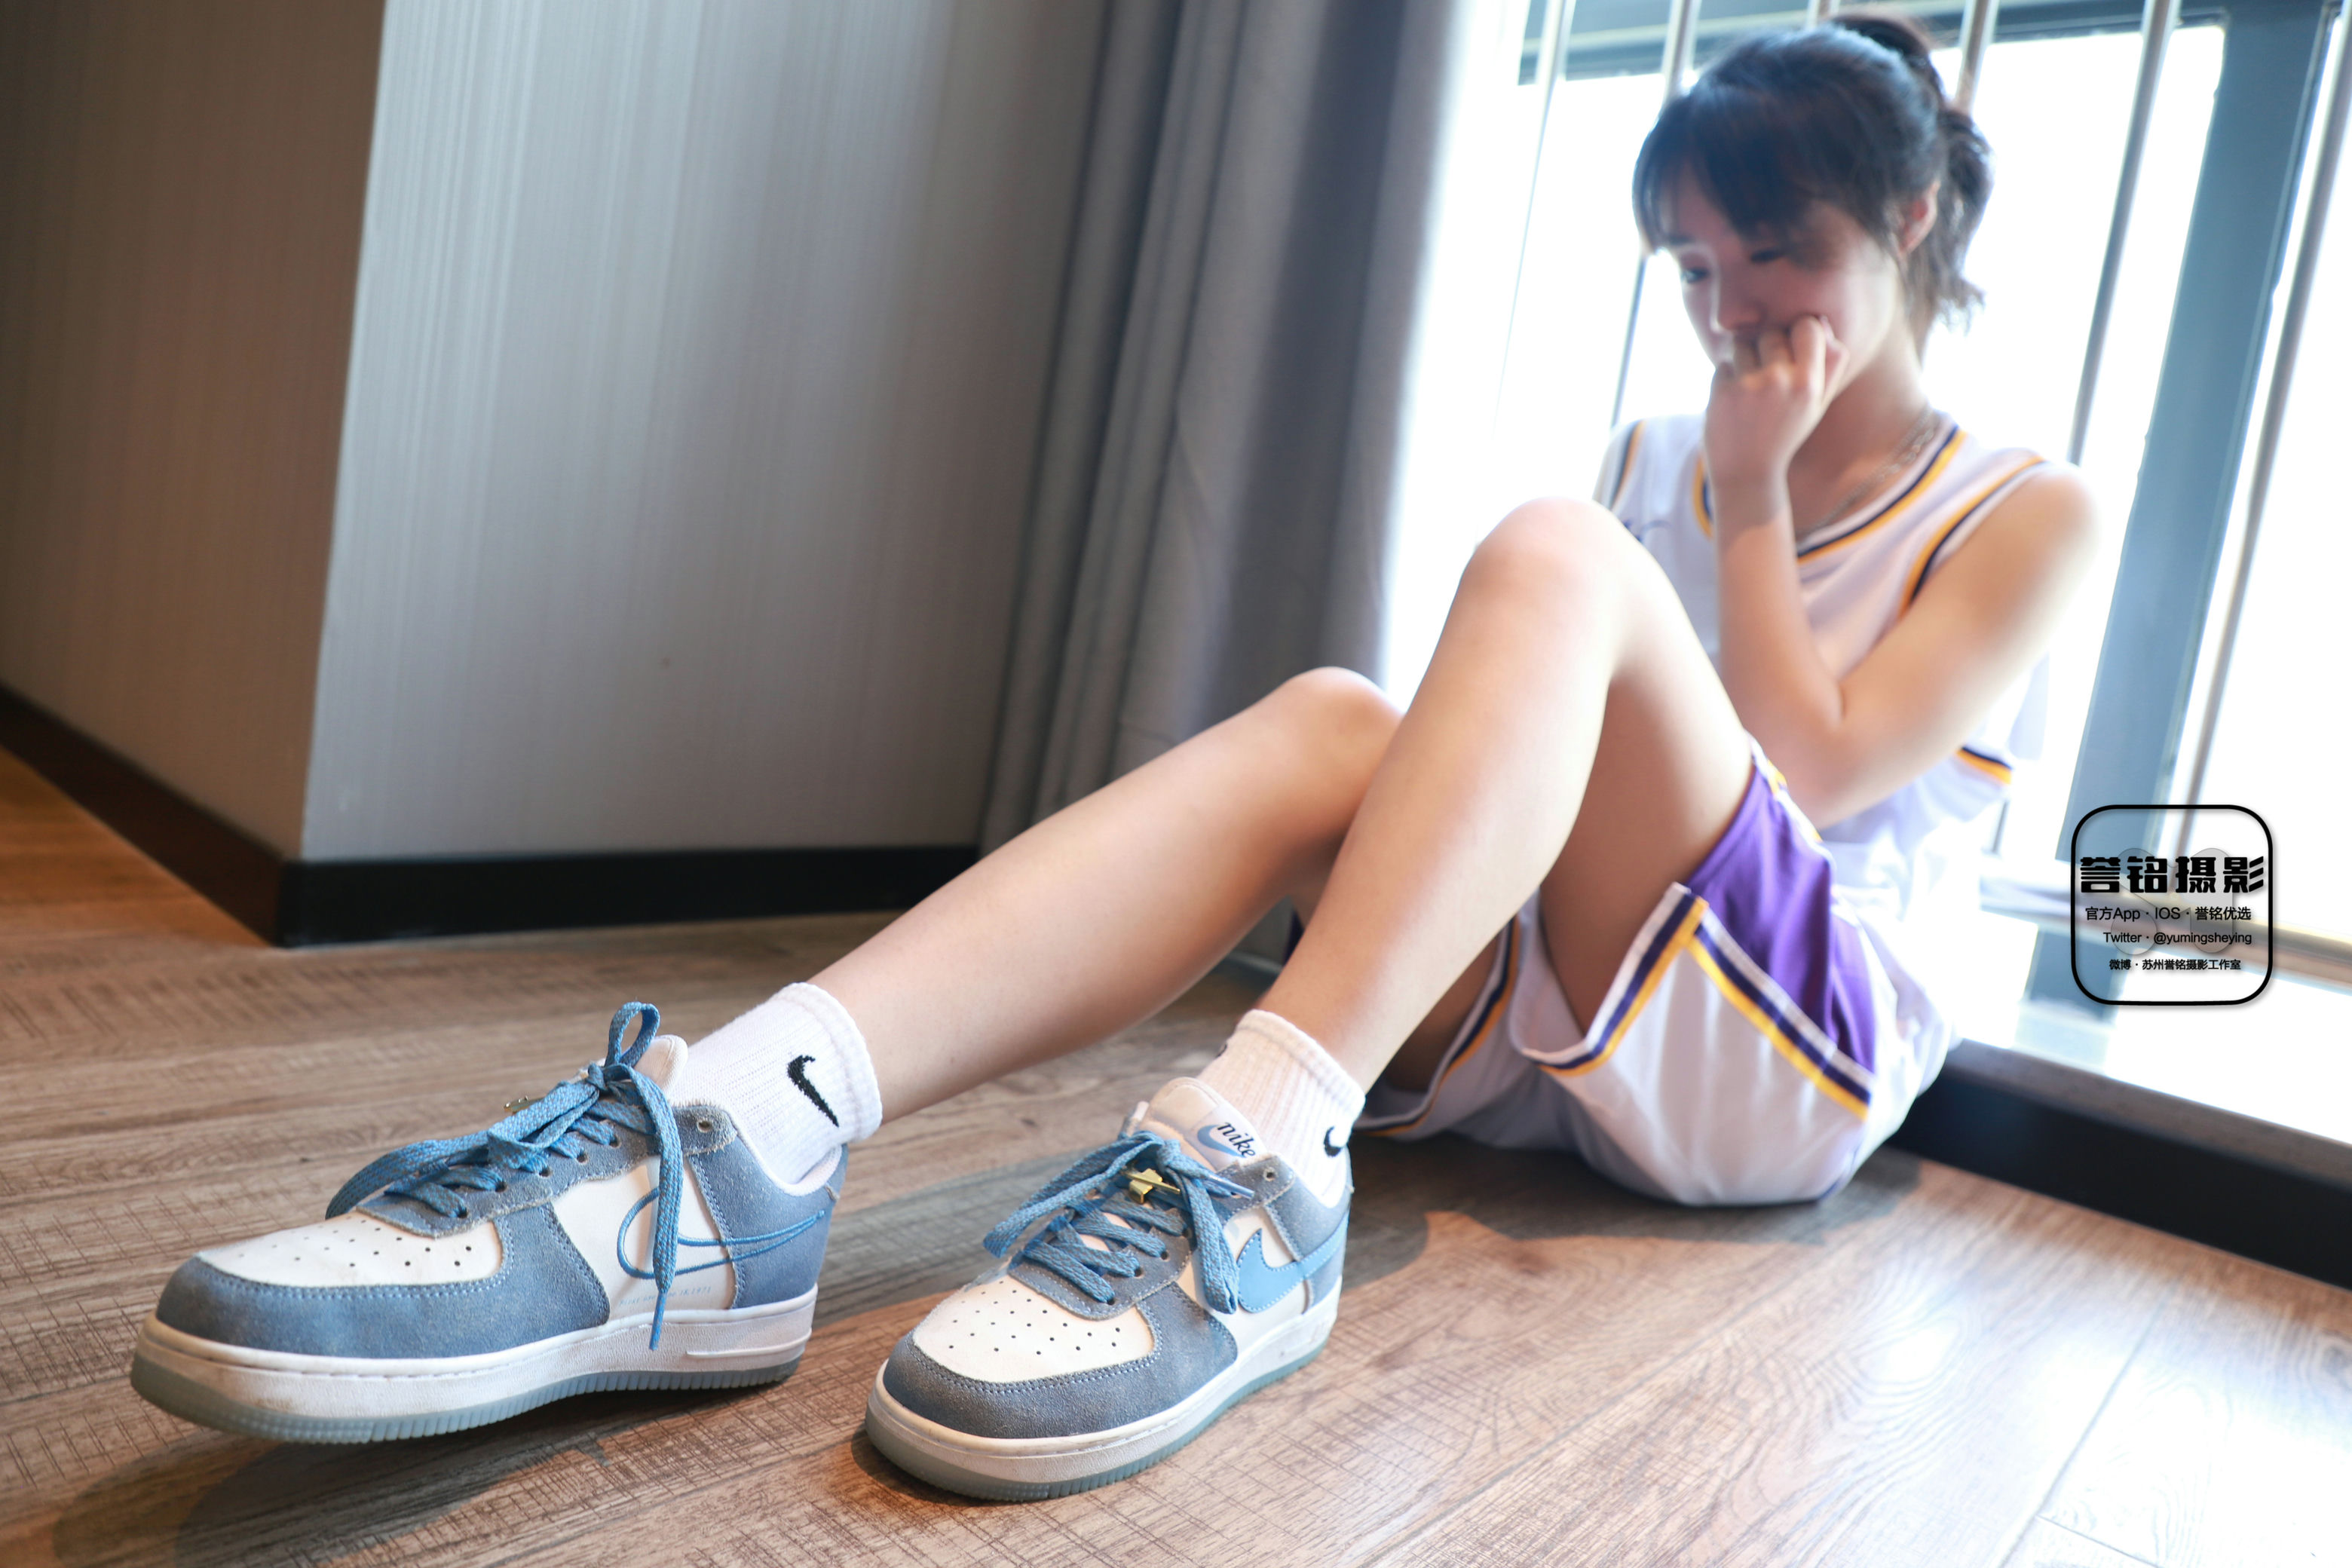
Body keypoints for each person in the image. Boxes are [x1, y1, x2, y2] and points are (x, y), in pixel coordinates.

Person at [128, 12, 2096, 1500]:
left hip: (1796, 1062)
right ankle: (742, 1139)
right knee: (1340, 715)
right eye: (1697, 270)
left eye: (1779, 256)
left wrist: (1749, 500)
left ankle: (1261, 1154)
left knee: (1560, 556)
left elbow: (1820, 769)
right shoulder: (1669, 451)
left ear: (1910, 219)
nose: (1736, 313)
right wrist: (1715, 488)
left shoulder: (2021, 506)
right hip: (1575, 1024)